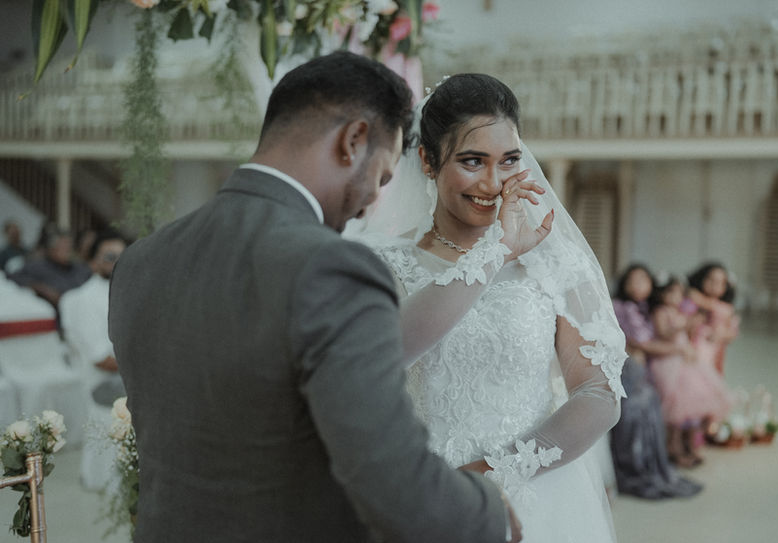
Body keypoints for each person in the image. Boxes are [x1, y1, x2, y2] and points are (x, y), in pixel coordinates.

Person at [108, 52, 522, 543]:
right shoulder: (332, 268)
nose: (372, 201)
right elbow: (393, 483)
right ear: (353, 142)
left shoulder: (142, 260)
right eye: (382, 176)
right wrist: (489, 509)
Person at [347, 73, 627, 542]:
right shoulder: (384, 262)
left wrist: (495, 472)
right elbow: (383, 358)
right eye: (473, 161)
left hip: (537, 492)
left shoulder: (555, 261)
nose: (493, 183)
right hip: (422, 491)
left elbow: (599, 393)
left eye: (509, 161)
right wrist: (497, 248)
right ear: (428, 161)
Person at [611, 264, 703, 498]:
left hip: (642, 369)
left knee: (651, 408)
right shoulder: (624, 307)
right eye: (633, 281)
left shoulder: (645, 307)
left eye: (643, 280)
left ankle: (654, 461)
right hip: (628, 369)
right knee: (637, 410)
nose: (638, 286)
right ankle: (635, 465)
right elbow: (642, 341)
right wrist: (678, 348)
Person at [648, 275, 732, 467]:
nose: (675, 297)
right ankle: (674, 447)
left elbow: (688, 336)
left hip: (685, 360)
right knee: (677, 407)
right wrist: (681, 325)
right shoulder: (661, 312)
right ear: (661, 294)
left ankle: (690, 444)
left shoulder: (680, 313)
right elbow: (665, 334)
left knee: (696, 401)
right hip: (669, 361)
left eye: (679, 293)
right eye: (670, 292)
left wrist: (692, 326)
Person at [60, 228, 126, 403]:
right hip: (103, 385)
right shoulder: (85, 299)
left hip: (128, 378)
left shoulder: (129, 292)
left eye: (125, 255)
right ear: (93, 262)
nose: (120, 261)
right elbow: (101, 359)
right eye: (111, 257)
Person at [9, 226, 90, 309]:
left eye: (70, 247)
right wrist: (41, 288)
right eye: (63, 247)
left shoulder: (79, 268)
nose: (68, 251)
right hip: (50, 313)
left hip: (80, 310)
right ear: (52, 249)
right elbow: (13, 277)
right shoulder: (37, 266)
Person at [684, 262, 740, 375]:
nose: (714, 285)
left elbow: (732, 333)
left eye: (719, 282)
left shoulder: (725, 308)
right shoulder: (690, 303)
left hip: (714, 350)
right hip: (693, 347)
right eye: (710, 279)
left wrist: (721, 334)